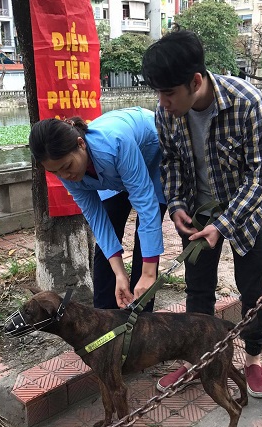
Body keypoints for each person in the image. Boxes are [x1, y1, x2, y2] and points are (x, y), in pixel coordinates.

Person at [141, 27, 262, 398]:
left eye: (169, 93)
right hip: (198, 211)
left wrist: (224, 223)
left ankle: (252, 358)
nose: (163, 102)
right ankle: (195, 359)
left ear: (196, 81)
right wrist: (177, 204)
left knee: (253, 289)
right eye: (159, 93)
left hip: (248, 213)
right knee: (198, 289)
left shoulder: (247, 102)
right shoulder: (166, 111)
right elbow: (170, 160)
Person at [29, 107, 167, 311]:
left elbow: (146, 206)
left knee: (145, 244)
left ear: (80, 144)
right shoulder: (67, 170)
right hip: (110, 170)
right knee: (107, 237)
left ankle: (141, 319)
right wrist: (120, 273)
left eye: (66, 167)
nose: (64, 176)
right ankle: (104, 317)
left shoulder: (115, 143)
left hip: (153, 153)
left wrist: (148, 273)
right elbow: (97, 219)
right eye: (55, 171)